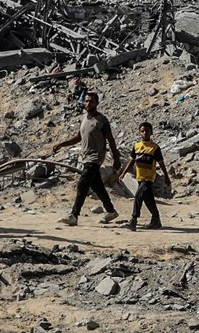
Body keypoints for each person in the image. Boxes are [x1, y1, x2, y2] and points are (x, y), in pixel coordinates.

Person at [53, 91, 121, 226]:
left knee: (82, 184)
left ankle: (74, 215)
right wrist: (61, 144)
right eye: (87, 101)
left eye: (91, 101)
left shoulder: (102, 120)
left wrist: (116, 158)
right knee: (97, 186)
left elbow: (111, 139)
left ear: (97, 103)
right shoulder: (84, 118)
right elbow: (78, 137)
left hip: (95, 158)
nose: (88, 103)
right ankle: (111, 211)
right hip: (85, 157)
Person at [119, 121, 171, 231]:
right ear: (139, 132)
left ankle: (133, 220)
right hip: (139, 177)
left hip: (149, 178)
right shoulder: (136, 146)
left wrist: (166, 177)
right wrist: (123, 173)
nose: (145, 133)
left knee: (138, 195)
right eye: (142, 131)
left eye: (147, 131)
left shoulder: (155, 148)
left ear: (151, 132)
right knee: (148, 199)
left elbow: (161, 163)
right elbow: (131, 162)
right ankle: (156, 220)